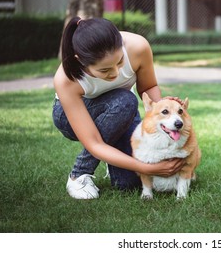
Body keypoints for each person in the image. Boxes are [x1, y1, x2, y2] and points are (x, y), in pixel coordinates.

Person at [52, 16, 186, 199]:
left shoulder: (138, 47)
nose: (115, 74)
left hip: (120, 112)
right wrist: (147, 167)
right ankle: (78, 175)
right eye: (105, 70)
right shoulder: (66, 79)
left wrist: (164, 110)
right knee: (126, 101)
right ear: (80, 60)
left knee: (129, 183)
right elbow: (94, 143)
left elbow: (147, 87)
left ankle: (113, 152)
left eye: (120, 62)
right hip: (71, 117)